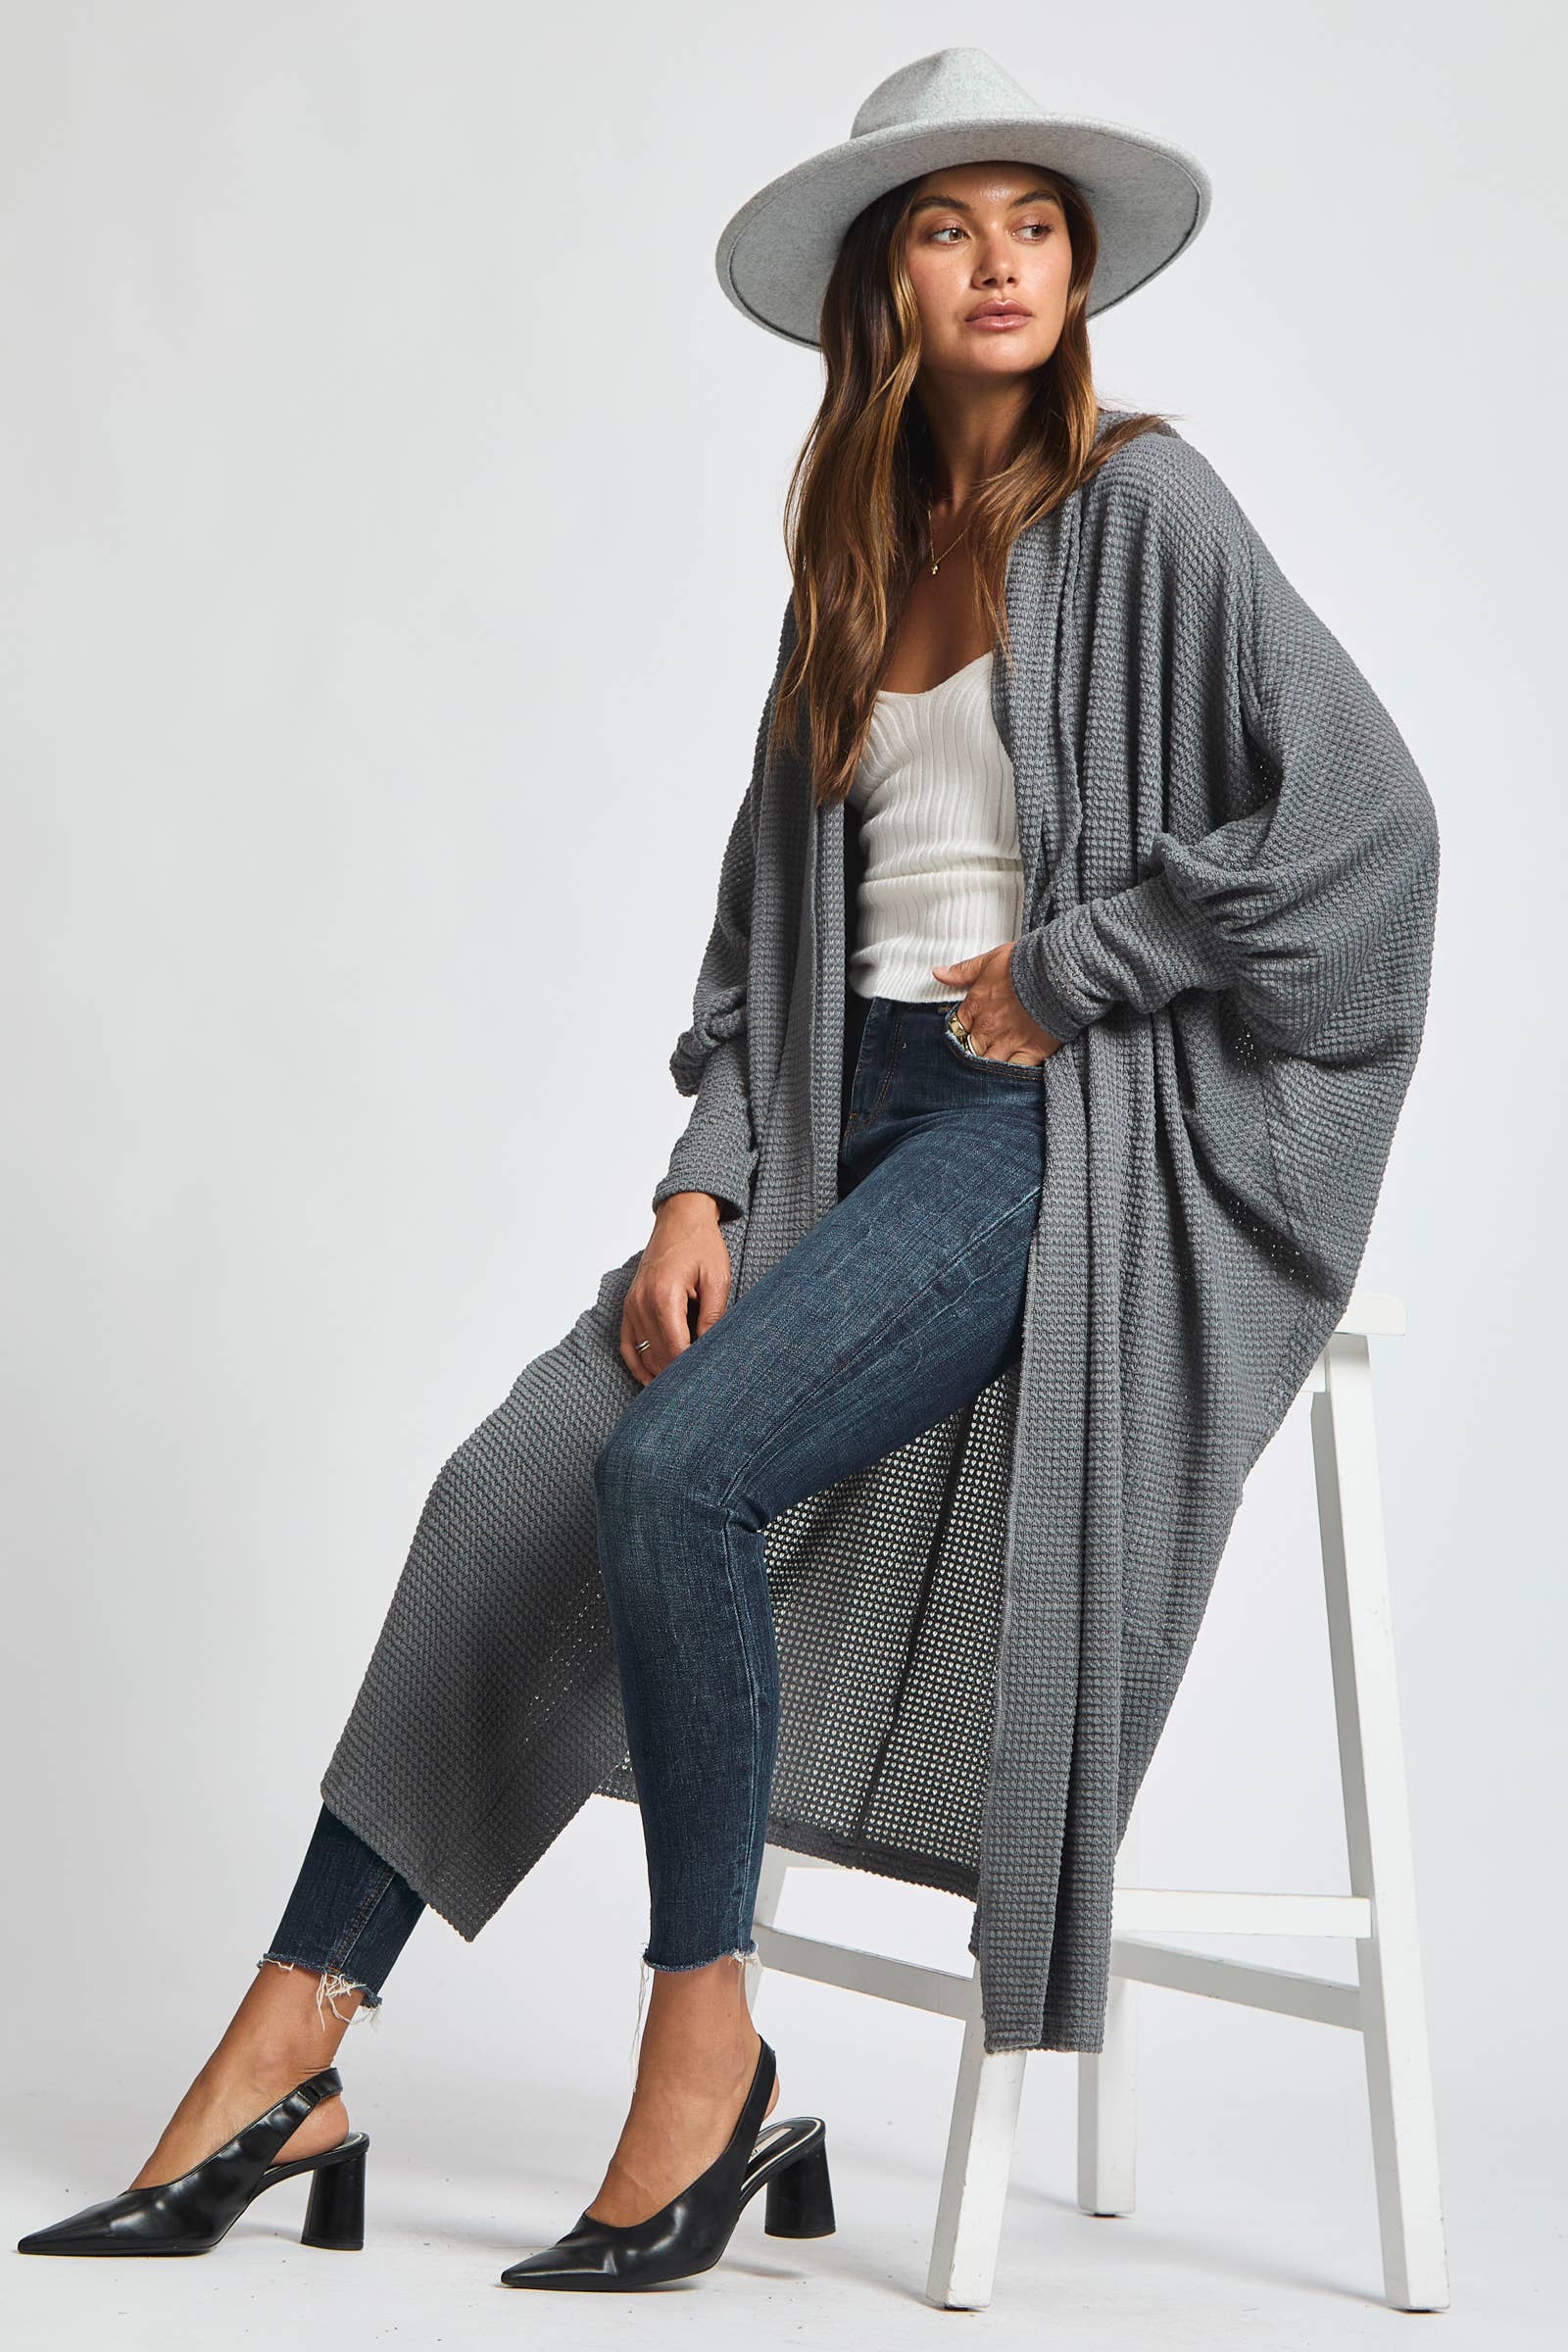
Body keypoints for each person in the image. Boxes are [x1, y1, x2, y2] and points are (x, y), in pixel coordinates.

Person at [22, 46, 1431, 2298]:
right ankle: (291, 2052)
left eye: (1033, 227)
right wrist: (701, 1179)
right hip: (824, 1122)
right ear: (886, 276)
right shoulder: (848, 555)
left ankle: (706, 2055)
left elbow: (1366, 825)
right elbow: (762, 923)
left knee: (676, 1477)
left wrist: (1078, 964)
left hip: (1045, 1130)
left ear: (1076, 275)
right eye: (949, 227)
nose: (997, 265)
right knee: (509, 1488)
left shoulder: (1147, 509)